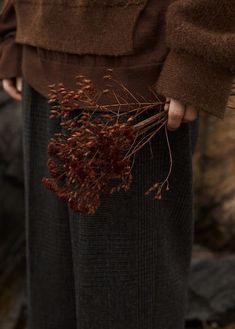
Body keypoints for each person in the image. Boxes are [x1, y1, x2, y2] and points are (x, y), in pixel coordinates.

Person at [0, 1, 234, 329]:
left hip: (134, 76)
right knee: (53, 304)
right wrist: (11, 26)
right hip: (39, 51)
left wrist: (199, 59)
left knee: (128, 306)